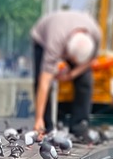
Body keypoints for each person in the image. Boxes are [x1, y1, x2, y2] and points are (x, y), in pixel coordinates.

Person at [30, 9, 101, 141]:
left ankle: (79, 126)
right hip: (42, 38)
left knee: (85, 80)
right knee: (41, 80)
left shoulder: (95, 34)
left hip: (74, 42)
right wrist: (38, 118)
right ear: (66, 52)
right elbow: (45, 81)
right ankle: (45, 125)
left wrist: (72, 74)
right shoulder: (55, 42)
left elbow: (91, 61)